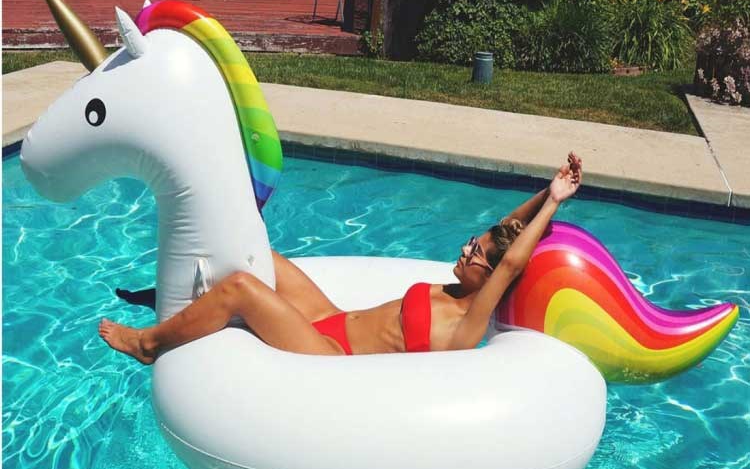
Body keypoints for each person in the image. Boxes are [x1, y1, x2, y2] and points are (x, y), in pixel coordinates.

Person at [99, 152, 582, 363]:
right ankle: (174, 296)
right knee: (257, 256)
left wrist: (556, 204)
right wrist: (547, 189)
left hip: (331, 356)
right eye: (472, 241)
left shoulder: (468, 326)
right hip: (327, 318)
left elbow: (511, 261)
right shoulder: (457, 287)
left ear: (493, 276)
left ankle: (149, 345)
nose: (464, 248)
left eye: (475, 253)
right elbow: (503, 233)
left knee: (241, 289)